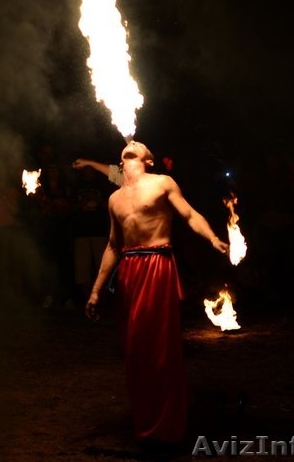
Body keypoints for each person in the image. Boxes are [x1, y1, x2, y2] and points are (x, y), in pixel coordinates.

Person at [84, 140, 229, 447]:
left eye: (139, 145)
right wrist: (96, 291)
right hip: (129, 269)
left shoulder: (162, 182)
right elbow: (113, 245)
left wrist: (213, 238)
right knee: (134, 347)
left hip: (157, 263)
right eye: (127, 147)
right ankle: (145, 419)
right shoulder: (114, 199)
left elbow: (189, 215)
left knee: (160, 347)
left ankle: (167, 424)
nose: (131, 144)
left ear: (149, 160)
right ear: (121, 163)